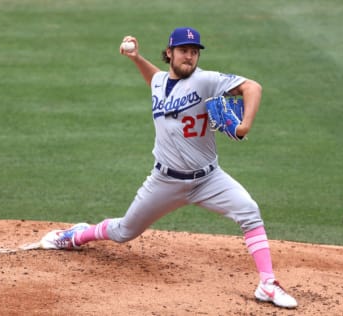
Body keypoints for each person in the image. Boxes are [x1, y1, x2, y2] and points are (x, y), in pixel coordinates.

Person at [43, 27, 297, 309]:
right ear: (169, 53)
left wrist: (244, 125)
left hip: (209, 179)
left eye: (194, 52)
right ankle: (76, 235)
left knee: (249, 211)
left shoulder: (206, 81)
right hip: (164, 181)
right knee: (123, 231)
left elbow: (253, 87)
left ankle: (267, 283)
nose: (190, 57)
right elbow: (155, 80)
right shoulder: (159, 82)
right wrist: (137, 58)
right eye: (184, 51)